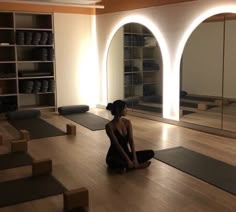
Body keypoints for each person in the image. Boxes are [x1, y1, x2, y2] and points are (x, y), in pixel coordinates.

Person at [105, 99, 154, 172]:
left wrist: (135, 159)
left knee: (151, 153)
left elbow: (131, 141)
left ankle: (125, 168)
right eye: (125, 108)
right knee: (112, 161)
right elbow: (117, 145)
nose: (126, 110)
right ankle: (134, 166)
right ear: (119, 110)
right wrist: (128, 160)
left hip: (127, 153)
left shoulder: (127, 123)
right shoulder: (109, 126)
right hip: (114, 155)